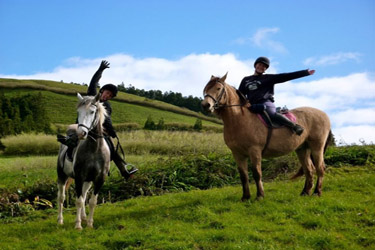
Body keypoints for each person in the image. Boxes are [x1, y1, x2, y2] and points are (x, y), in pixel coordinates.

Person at [58, 60, 138, 179]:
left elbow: (107, 120)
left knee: (112, 148)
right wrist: (100, 70)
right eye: (107, 93)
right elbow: (93, 82)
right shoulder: (91, 95)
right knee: (72, 130)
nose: (107, 96)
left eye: (110, 96)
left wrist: (112, 131)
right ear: (102, 91)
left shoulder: (107, 106)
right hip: (83, 125)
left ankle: (124, 170)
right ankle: (69, 149)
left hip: (97, 130)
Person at [239, 57, 315, 135]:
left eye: (264, 66)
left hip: (265, 103)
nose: (261, 67)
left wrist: (305, 72)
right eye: (260, 64)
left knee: (271, 114)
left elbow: (286, 76)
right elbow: (240, 94)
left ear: (265, 69)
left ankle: (294, 126)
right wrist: (245, 103)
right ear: (255, 65)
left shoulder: (268, 78)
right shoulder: (246, 80)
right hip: (251, 105)